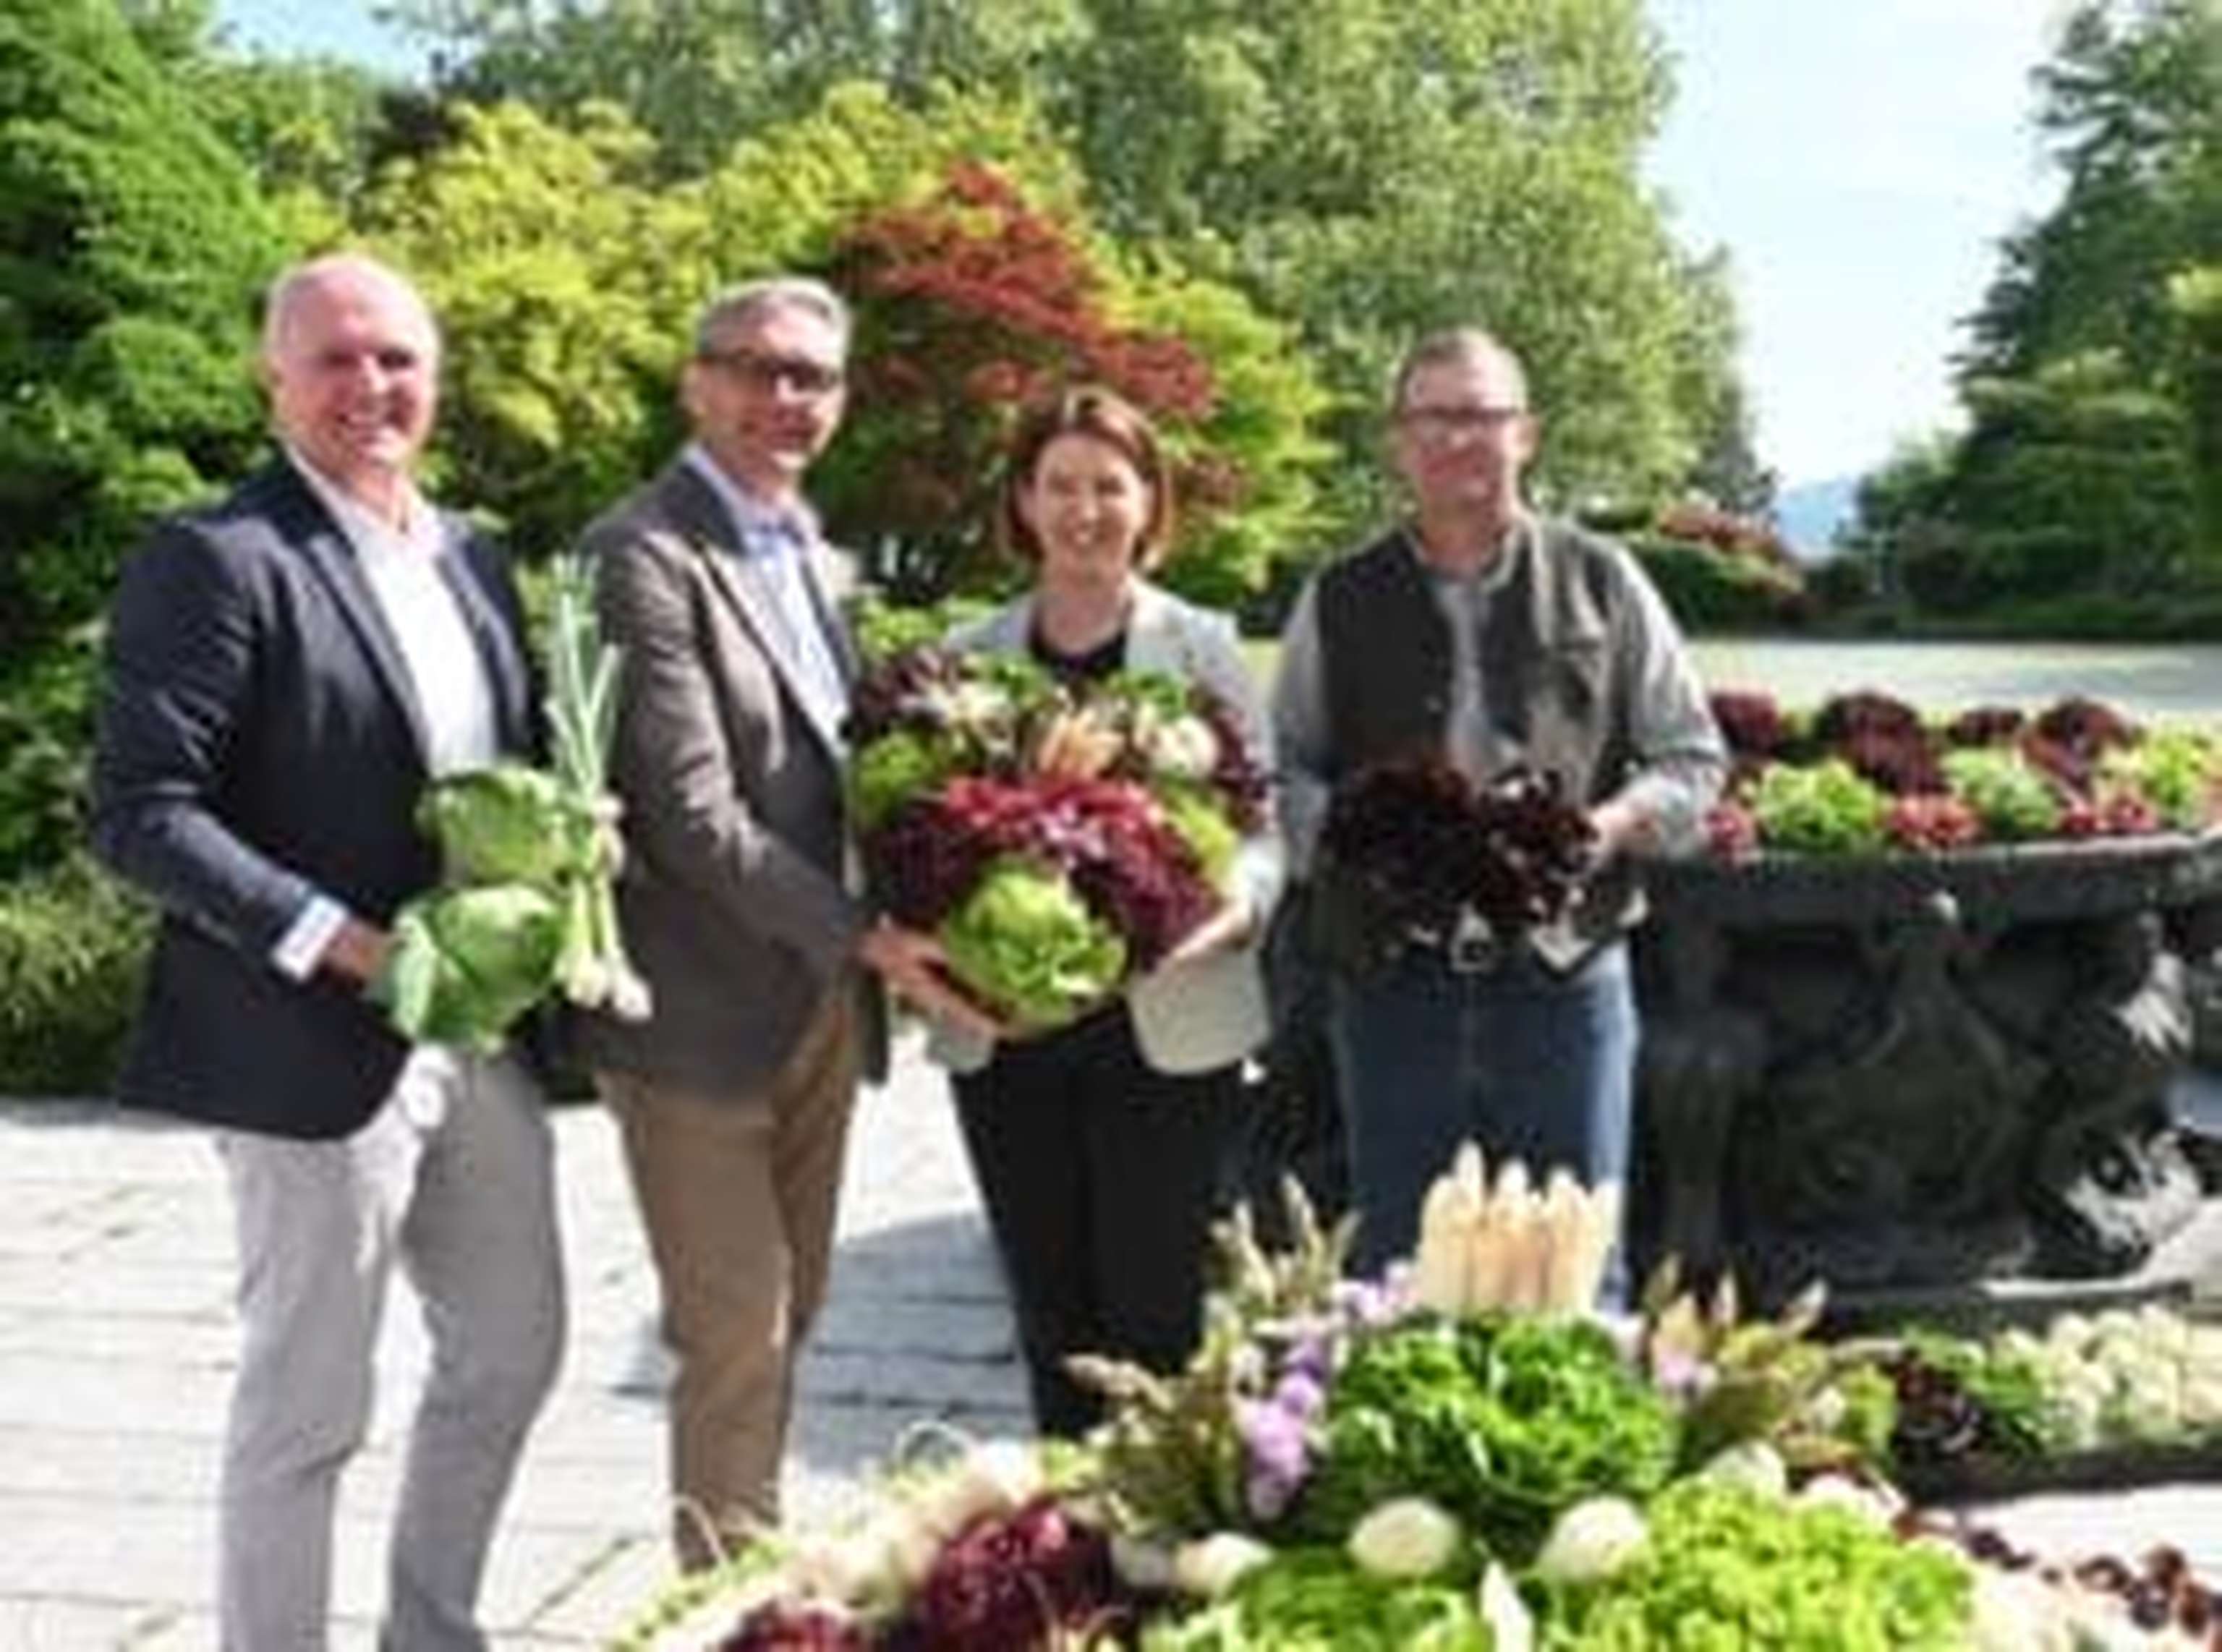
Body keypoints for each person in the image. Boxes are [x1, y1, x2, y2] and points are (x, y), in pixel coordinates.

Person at [88, 253, 565, 1651]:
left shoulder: (474, 555)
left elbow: (504, 769)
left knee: (513, 1349)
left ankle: (431, 1631)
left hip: (477, 1034)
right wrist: (340, 943)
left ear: (438, 373)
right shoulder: (218, 558)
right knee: (309, 1406)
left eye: (398, 358)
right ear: (275, 378)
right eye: (336, 360)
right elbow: (137, 814)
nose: (372, 387)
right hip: (307, 1044)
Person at [575, 277, 987, 1568]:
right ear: (695, 383)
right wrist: (869, 935)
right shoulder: (641, 550)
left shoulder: (812, 552)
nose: (783, 397)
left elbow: (853, 772)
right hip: (699, 1018)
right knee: (735, 1337)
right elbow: (692, 812)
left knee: (793, 1314)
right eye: (753, 368)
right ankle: (731, 1610)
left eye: (811, 376)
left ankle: (751, 1580)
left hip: (819, 1007)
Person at [1272, 327, 1726, 1278]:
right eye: (1431, 417)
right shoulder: (1340, 596)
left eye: (1480, 415)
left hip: (1566, 979)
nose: (1455, 438)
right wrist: (1365, 849)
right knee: (1404, 1273)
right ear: (1398, 440)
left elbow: (1692, 759)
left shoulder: (1605, 578)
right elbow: (1283, 774)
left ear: (1527, 433)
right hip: (1394, 983)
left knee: (1573, 1271)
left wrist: (1602, 830)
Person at [932, 386, 1285, 1437]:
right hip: (1009, 1030)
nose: (1085, 509)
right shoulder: (965, 654)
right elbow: (916, 844)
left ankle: (1165, 1561)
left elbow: (1268, 828)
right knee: (1051, 1317)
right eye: (1061, 485)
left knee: (1159, 1317)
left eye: (1110, 485)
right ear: (1025, 503)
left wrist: (1221, 919)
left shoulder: (1204, 648)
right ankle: (1066, 1559)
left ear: (1150, 504)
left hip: (1170, 1020)